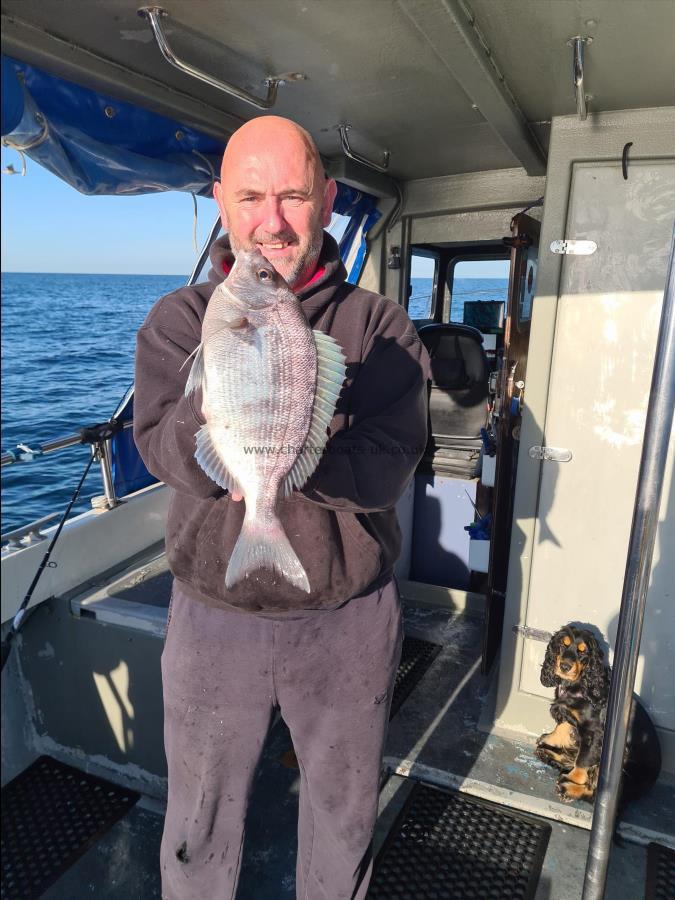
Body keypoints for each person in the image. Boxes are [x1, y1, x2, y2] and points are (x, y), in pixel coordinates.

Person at [134, 116, 429, 900]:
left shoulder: (381, 328)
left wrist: (287, 448)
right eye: (252, 197)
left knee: (342, 819)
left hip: (346, 620)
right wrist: (220, 408)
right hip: (212, 614)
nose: (272, 222)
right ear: (221, 203)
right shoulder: (179, 319)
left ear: (328, 201)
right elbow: (161, 451)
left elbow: (388, 466)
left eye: (294, 196)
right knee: (195, 824)